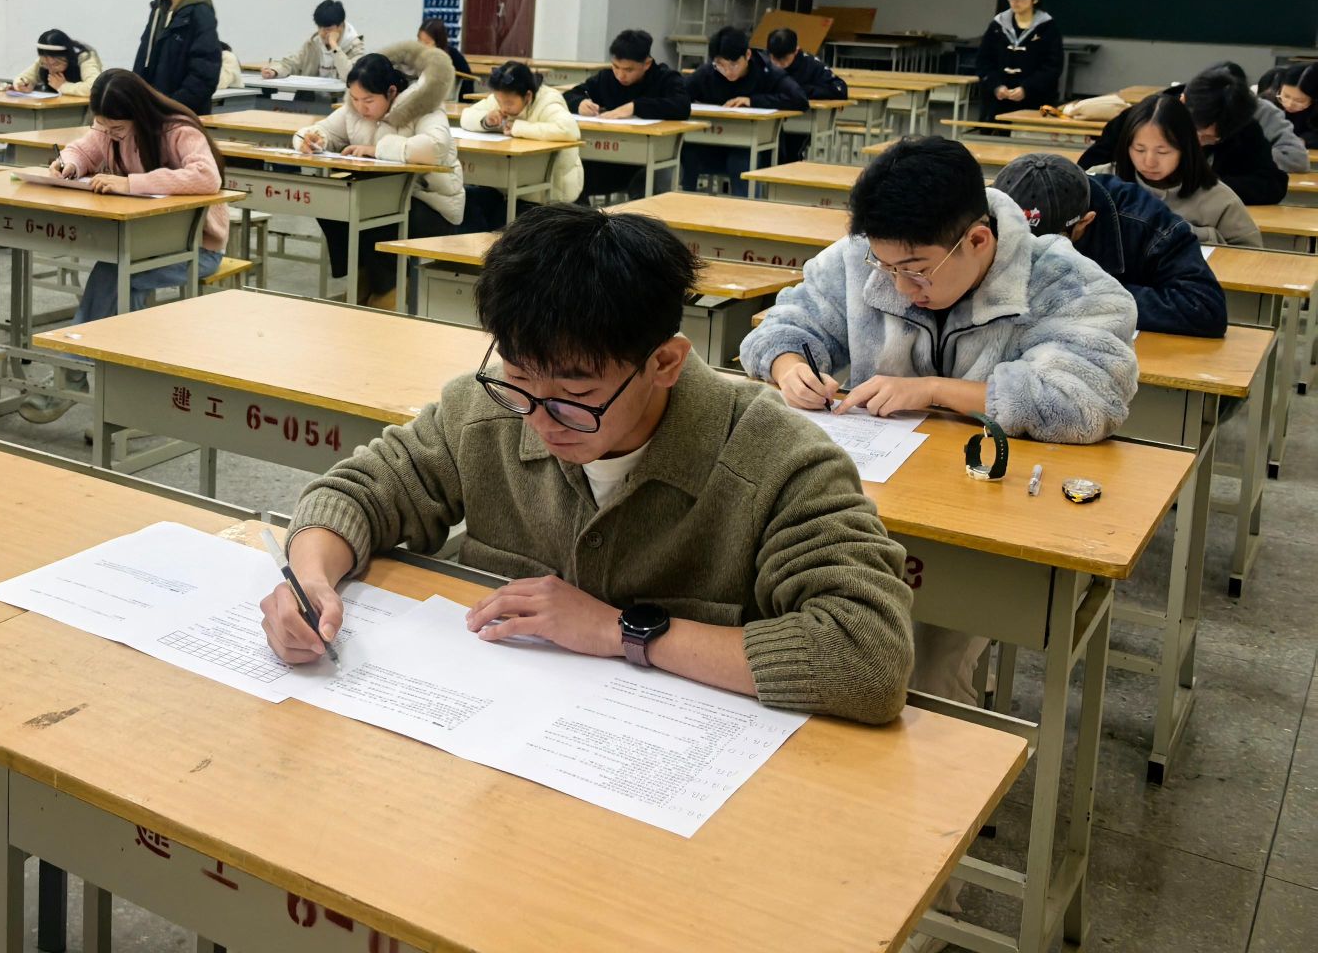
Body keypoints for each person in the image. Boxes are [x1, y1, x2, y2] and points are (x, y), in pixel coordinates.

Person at [260, 205, 914, 725]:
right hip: (498, 732)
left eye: (576, 398)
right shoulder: (484, 411)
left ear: (665, 363)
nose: (541, 421)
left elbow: (870, 656)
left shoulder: (777, 458)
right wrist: (311, 580)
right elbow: (361, 491)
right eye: (519, 381)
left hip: (667, 764)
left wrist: (619, 631)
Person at [738, 136, 1137, 719]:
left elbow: (1086, 400)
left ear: (977, 241)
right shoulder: (868, 255)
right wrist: (789, 364)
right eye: (886, 268)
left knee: (922, 673)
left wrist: (933, 391)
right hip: (863, 499)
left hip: (988, 522)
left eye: (917, 272)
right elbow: (786, 321)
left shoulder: (1064, 282)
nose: (899, 287)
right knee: (786, 632)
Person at [22, 70, 230, 422]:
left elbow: (207, 176)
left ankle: (74, 373)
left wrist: (131, 183)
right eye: (103, 126)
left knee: (117, 273)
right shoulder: (107, 128)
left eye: (117, 128)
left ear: (139, 113)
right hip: (142, 243)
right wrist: (69, 164)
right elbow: (83, 149)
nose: (109, 134)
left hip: (196, 248)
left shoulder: (178, 130)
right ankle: (127, 397)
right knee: (122, 281)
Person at [297, 45, 464, 308]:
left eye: (368, 100)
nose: (360, 107)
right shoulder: (354, 110)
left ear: (391, 92)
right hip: (382, 198)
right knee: (332, 204)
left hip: (431, 206)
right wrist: (311, 140)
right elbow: (321, 129)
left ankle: (389, 292)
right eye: (354, 98)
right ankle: (363, 277)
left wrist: (378, 150)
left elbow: (435, 147)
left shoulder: (424, 107)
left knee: (376, 220)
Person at [994, 152, 1228, 338]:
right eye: (1018, 239)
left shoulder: (1144, 220)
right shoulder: (989, 212)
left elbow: (1204, 308)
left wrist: (1088, 294)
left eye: (1047, 243)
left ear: (1085, 223)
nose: (1032, 254)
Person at [1078, 67, 1287, 206]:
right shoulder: (1143, 118)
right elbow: (1087, 168)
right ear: (1183, 100)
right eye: (1192, 131)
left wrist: (1201, 186)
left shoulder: (1242, 129)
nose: (1196, 143)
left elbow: (1273, 184)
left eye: (1208, 139)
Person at [1099, 93, 1261, 247]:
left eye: (1163, 152)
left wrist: (1196, 234)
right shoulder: (1100, 181)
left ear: (1186, 149)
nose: (1149, 162)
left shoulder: (1220, 200)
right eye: (1139, 149)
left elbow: (1253, 257)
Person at [561, 29, 690, 200]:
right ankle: (586, 217)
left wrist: (635, 107)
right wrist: (580, 103)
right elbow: (570, 95)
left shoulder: (665, 78)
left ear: (647, 64)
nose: (620, 75)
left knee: (648, 184)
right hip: (612, 160)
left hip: (655, 160)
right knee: (571, 179)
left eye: (629, 69)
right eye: (616, 67)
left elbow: (682, 106)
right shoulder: (606, 78)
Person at [683, 26, 805, 195]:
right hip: (714, 146)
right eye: (721, 65)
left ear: (747, 55)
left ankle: (745, 209)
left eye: (733, 64)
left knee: (740, 161)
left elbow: (799, 99)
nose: (727, 71)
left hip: (758, 150)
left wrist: (753, 101)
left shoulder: (766, 71)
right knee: (687, 153)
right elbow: (679, 94)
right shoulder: (708, 73)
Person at [460, 61, 582, 223]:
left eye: (509, 103)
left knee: (502, 219)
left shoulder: (548, 101)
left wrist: (518, 128)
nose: (503, 108)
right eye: (499, 101)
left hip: (549, 189)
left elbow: (568, 130)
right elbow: (466, 116)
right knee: (470, 205)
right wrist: (486, 120)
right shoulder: (502, 96)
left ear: (528, 96)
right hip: (508, 185)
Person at [131, 0, 221, 115]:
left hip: (184, 113)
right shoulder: (158, 11)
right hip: (154, 110)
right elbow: (143, 58)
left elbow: (205, 72)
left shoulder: (200, 13)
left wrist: (173, 105)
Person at [975, 0, 1064, 121]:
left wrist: (1026, 88)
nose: (1015, 1)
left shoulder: (1047, 28)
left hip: (1035, 100)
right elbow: (983, 61)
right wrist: (996, 86)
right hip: (998, 100)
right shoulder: (997, 26)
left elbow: (1052, 66)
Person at [261, 0, 365, 82]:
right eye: (319, 27)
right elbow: (292, 63)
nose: (322, 33)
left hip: (339, 99)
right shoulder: (313, 43)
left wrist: (334, 46)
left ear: (341, 26)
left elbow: (349, 76)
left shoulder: (355, 46)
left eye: (328, 29)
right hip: (312, 97)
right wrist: (274, 71)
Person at [764, 27, 848, 101]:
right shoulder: (762, 61)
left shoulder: (811, 65)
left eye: (784, 59)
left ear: (796, 50)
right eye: (775, 59)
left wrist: (805, 90)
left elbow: (840, 90)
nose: (778, 65)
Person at [12, 30, 100, 98]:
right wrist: (22, 85)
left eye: (56, 64)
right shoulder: (45, 60)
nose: (51, 70)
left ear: (68, 57)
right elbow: (23, 78)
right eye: (45, 64)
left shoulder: (84, 57)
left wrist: (63, 86)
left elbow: (95, 88)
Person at [1261, 61, 1318, 152]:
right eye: (1286, 96)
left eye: (1299, 100)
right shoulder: (1270, 86)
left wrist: (1304, 140)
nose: (1289, 104)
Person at [417, 17, 476, 97]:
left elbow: (467, 82)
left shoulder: (453, 56)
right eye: (419, 41)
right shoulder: (415, 54)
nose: (422, 46)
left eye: (427, 42)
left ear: (439, 42)